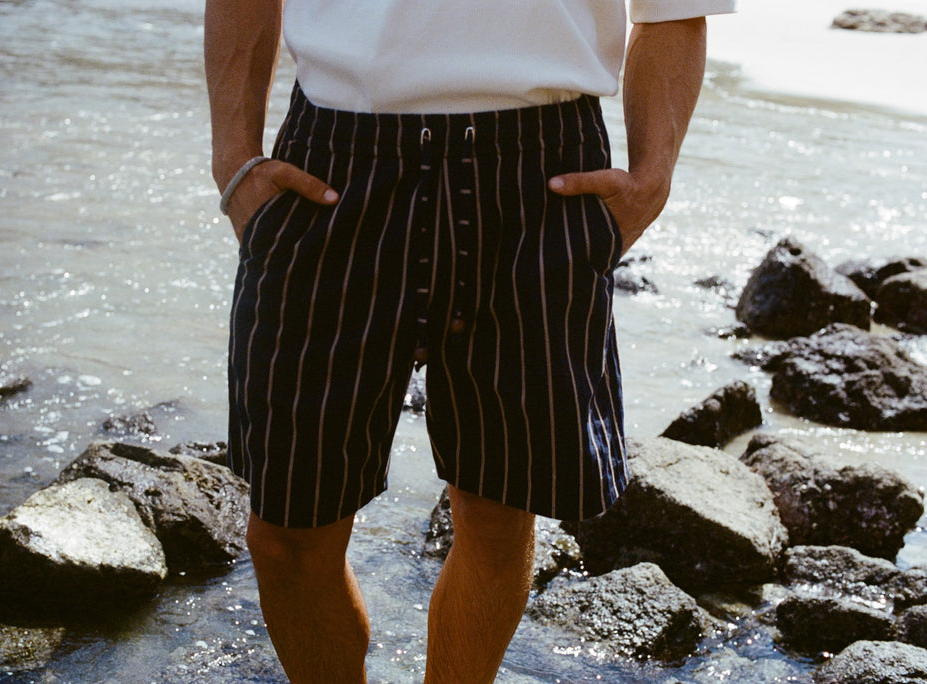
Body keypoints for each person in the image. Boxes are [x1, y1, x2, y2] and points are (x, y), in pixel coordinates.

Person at [205, 0, 735, 680]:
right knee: (284, 531)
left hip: (538, 170)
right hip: (334, 166)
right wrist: (233, 157)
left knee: (498, 511)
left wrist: (652, 176)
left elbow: (673, 10)